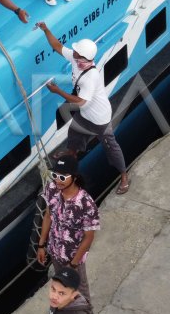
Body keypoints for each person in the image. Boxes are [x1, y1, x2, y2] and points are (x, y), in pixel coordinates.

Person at [36, 22, 131, 194]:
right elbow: (57, 46)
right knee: (74, 133)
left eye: (77, 52)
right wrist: (46, 30)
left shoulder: (90, 77)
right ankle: (72, 153)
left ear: (85, 58)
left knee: (111, 147)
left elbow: (80, 102)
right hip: (85, 114)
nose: (74, 53)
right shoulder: (76, 58)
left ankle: (124, 175)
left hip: (99, 118)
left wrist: (58, 92)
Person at [35, 152, 100, 305]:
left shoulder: (86, 204)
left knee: (80, 290)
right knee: (60, 285)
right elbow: (48, 216)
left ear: (74, 177)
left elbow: (88, 237)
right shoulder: (52, 189)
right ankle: (61, 309)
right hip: (55, 251)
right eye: (55, 175)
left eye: (63, 177)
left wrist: (73, 264)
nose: (58, 181)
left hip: (73, 257)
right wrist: (41, 245)